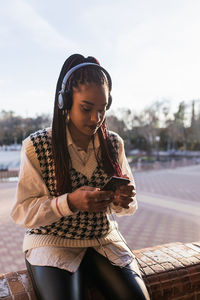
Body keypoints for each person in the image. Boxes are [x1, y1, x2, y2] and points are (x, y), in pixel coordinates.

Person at [11, 54, 150, 300]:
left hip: (103, 240)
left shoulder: (113, 144)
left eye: (102, 109)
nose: (96, 118)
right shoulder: (37, 146)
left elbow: (128, 207)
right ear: (64, 102)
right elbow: (23, 211)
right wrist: (69, 202)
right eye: (86, 108)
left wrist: (123, 199)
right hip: (52, 241)